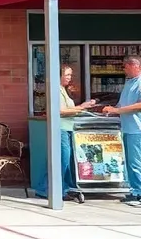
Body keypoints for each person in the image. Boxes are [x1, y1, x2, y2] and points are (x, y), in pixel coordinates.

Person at [36, 64, 95, 204]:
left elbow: (67, 108)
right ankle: (51, 189)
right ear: (59, 75)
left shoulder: (63, 90)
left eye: (70, 75)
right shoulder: (56, 89)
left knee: (63, 160)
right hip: (61, 128)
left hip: (67, 127)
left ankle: (55, 188)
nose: (70, 78)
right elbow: (59, 110)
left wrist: (81, 107)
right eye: (67, 75)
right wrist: (81, 108)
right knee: (61, 160)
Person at [103, 55, 141, 203]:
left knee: (136, 161)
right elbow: (122, 104)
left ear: (134, 65)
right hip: (127, 128)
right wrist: (112, 109)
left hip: (137, 129)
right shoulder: (129, 83)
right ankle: (134, 190)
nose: (124, 70)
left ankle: (139, 192)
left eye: (125, 67)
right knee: (130, 162)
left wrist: (117, 111)